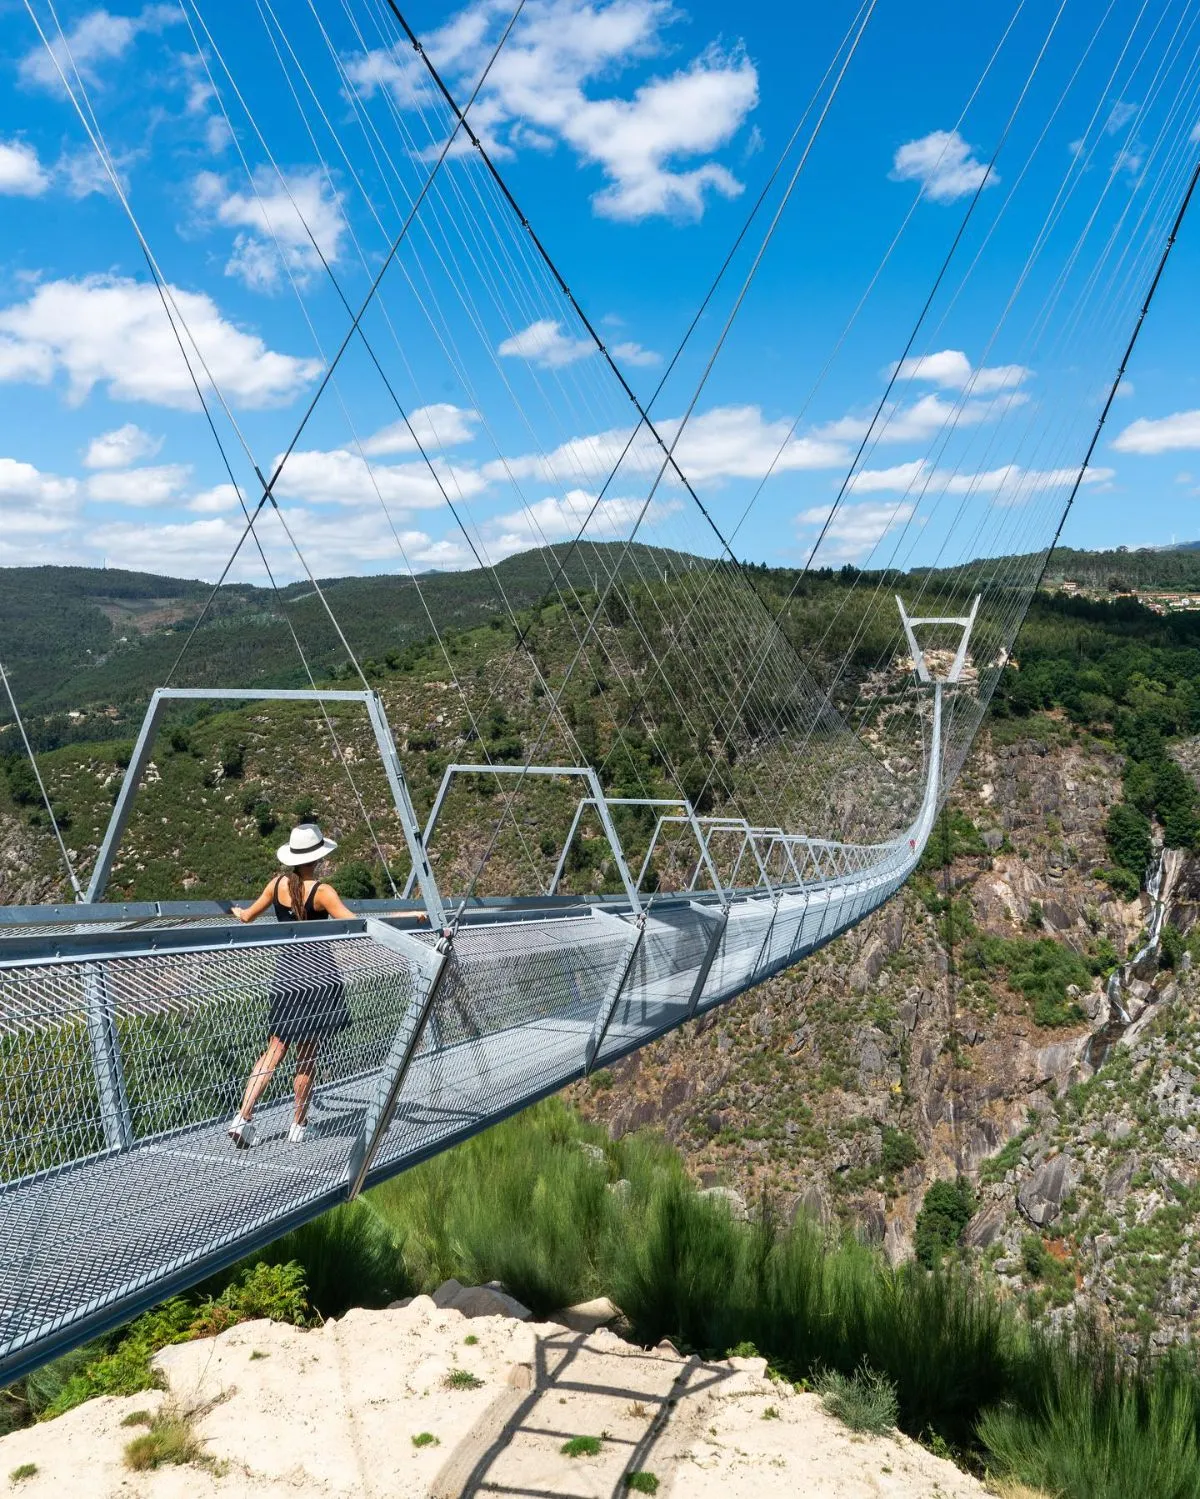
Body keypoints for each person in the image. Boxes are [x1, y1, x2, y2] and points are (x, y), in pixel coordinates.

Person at [226, 822, 355, 1149]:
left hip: (286, 975)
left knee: (275, 1048)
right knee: (307, 1053)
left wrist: (237, 911)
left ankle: (243, 1117)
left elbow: (246, 917)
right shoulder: (322, 892)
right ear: (318, 857)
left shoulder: (277, 884)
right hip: (317, 978)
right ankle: (298, 1123)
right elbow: (354, 923)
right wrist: (409, 915)